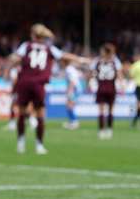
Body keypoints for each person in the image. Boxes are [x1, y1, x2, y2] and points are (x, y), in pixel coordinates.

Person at [5, 24, 85, 155]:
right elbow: (64, 56)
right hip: (39, 84)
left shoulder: (26, 46)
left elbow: (15, 58)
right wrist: (81, 59)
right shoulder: (49, 48)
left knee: (21, 114)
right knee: (41, 115)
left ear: (33, 35)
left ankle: (21, 143)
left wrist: (8, 68)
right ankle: (39, 145)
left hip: (24, 82)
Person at [92, 43, 122, 140]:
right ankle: (109, 130)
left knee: (101, 110)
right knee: (111, 110)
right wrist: (122, 86)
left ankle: (101, 131)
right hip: (111, 88)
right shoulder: (115, 61)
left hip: (101, 87)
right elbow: (119, 74)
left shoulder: (97, 61)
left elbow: (92, 73)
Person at [62, 63, 81, 130]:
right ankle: (72, 121)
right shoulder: (70, 68)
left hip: (74, 89)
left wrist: (70, 91)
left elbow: (72, 81)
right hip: (75, 89)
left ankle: (74, 122)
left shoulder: (68, 69)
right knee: (69, 105)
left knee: (69, 105)